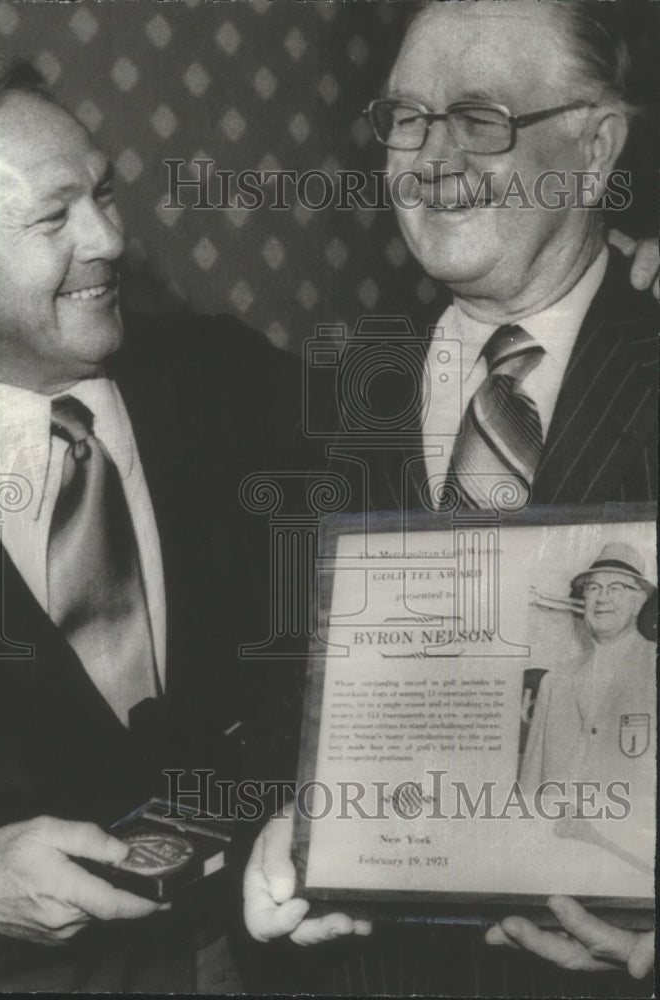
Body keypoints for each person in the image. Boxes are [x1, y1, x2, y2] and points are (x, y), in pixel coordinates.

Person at [243, 1, 656, 993]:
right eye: (404, 118)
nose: (427, 160)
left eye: (479, 121)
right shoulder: (322, 391)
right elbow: (260, 694)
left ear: (595, 151)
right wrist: (283, 819)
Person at [0, 56, 302, 991]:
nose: (108, 238)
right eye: (51, 217)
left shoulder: (225, 380)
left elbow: (430, 468)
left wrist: (616, 299)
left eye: (103, 195)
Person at [520, 541, 655, 802]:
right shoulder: (555, 681)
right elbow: (530, 784)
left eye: (615, 588)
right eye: (593, 588)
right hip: (557, 837)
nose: (602, 597)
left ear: (638, 601)